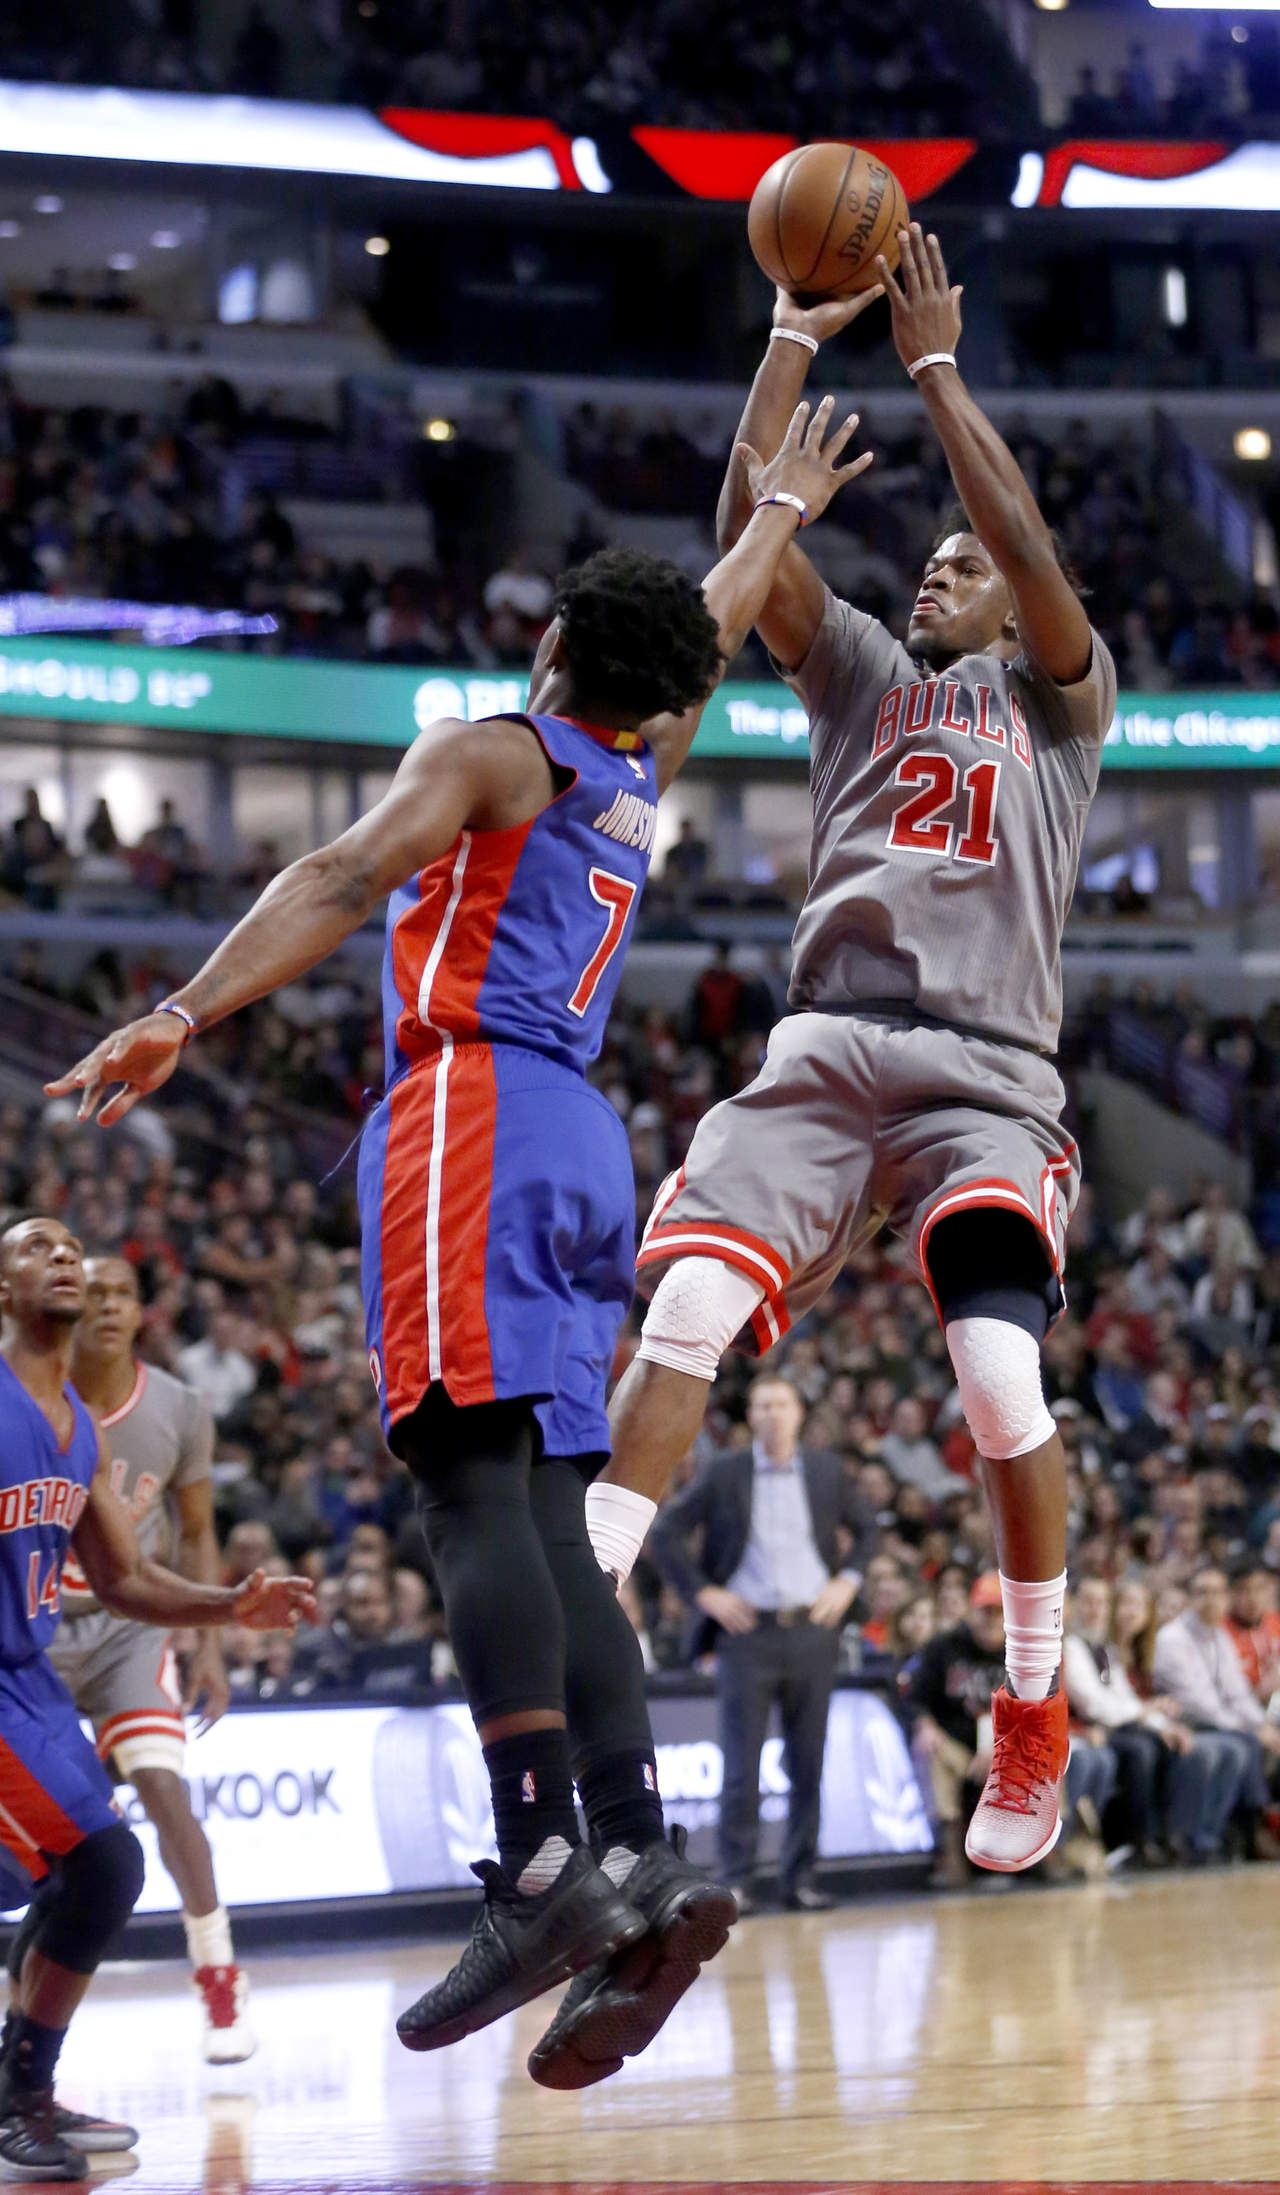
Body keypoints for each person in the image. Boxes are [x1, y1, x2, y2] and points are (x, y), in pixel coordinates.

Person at [46, 399, 871, 2089]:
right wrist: (777, 502)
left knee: (465, 1484)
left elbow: (345, 875)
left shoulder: (501, 747)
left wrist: (184, 1008)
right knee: (550, 1509)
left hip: (469, 1113)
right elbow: (709, 633)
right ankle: (638, 1849)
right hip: (579, 1138)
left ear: (555, 645)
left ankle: (543, 1858)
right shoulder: (637, 772)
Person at [591, 222, 1117, 1883]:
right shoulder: (868, 674)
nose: (938, 575)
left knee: (997, 1373)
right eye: (931, 565)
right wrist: (792, 336)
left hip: (985, 1073)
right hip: (825, 1043)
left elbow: (1020, 532)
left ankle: (1034, 1696)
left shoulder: (1063, 704)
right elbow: (754, 527)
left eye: (960, 566)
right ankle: (585, 1603)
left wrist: (937, 366)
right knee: (689, 1306)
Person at [0, 1216, 312, 2180]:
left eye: (70, 1247)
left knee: (93, 1874)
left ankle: (21, 2091)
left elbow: (125, 1575)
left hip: (29, 1674)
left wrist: (229, 1605)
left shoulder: (77, 1425)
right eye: (35, 1247)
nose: (61, 1257)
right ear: (2, 1290)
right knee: (99, 1865)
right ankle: (18, 2095)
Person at [47, 1256, 255, 2063]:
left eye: (122, 1294)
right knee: (52, 1828)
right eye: (93, 1292)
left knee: (165, 1790)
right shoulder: (29, 1393)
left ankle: (220, 1976)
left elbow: (197, 1531)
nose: (106, 1305)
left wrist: (210, 1647)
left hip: (129, 1624)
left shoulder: (179, 1406)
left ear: (142, 1313)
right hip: (34, 1623)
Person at [648, 1374, 876, 1914]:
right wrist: (704, 1594)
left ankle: (802, 1879)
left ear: (799, 1414)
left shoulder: (825, 1470)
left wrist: (847, 1582)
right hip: (746, 1635)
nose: (773, 1413)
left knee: (808, 1763)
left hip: (811, 1629)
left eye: (782, 1404)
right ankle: (737, 1881)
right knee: (740, 1767)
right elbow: (665, 1532)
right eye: (763, 1405)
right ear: (751, 1416)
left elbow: (869, 1529)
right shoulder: (726, 1471)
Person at [1153, 1567, 1280, 1860]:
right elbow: (1196, 1701)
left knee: (1247, 1745)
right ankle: (1194, 1836)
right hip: (1183, 1725)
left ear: (1226, 1598)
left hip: (1214, 1724)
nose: (1211, 1600)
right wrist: (1244, 1727)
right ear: (1190, 1597)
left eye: (1218, 1592)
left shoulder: (1218, 1635)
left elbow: (1237, 1693)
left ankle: (1211, 1836)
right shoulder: (1173, 1637)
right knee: (1234, 1747)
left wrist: (1262, 1724)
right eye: (1203, 1592)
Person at [902, 1574, 1008, 1890]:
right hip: (955, 1744)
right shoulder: (943, 1647)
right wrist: (925, 1726)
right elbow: (914, 1698)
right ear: (971, 1611)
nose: (991, 1619)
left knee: (1047, 1751)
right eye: (985, 1611)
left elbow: (1035, 1710)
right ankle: (950, 1855)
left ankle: (1043, 1850)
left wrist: (999, 1747)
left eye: (999, 1611)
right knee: (932, 1752)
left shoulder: (1022, 1652)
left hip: (1006, 1747)